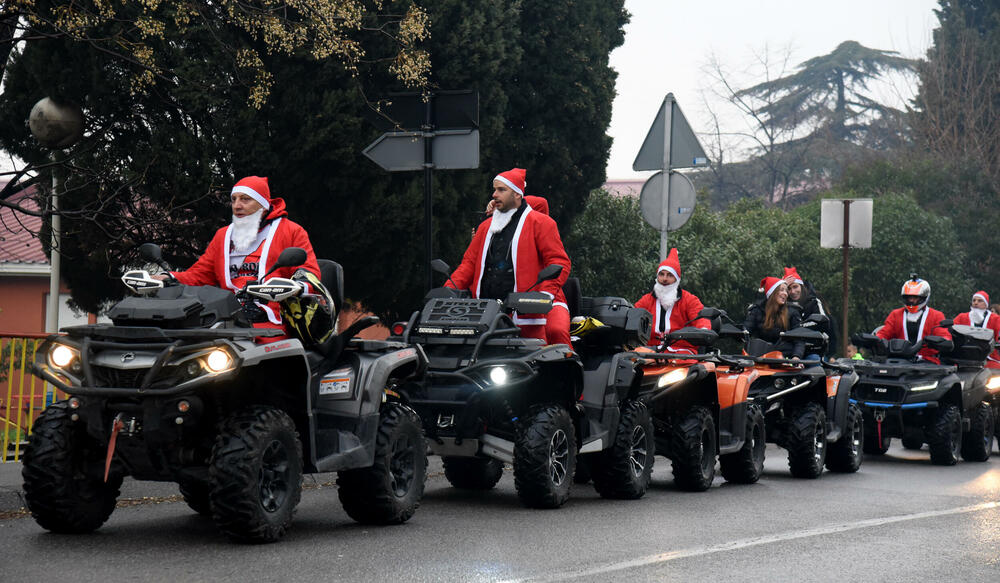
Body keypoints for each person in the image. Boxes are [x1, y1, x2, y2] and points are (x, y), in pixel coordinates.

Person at [161, 175, 323, 339]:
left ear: (264, 205)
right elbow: (199, 275)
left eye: (245, 199)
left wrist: (297, 286)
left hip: (269, 320)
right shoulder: (222, 236)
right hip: (223, 317)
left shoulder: (291, 231)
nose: (237, 206)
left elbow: (309, 274)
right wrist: (166, 278)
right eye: (233, 199)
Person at [448, 168, 571, 344]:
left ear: (517, 194)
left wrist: (544, 294)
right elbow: (468, 264)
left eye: (501, 190)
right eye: (495, 189)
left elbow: (559, 262)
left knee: (553, 343)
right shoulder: (485, 227)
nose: (494, 194)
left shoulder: (541, 223)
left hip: (527, 312)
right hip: (484, 314)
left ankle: (568, 369)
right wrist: (448, 290)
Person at [633, 248, 709, 353]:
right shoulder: (647, 300)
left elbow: (701, 318)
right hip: (649, 353)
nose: (664, 279)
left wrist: (703, 331)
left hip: (682, 353)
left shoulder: (689, 300)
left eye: (669, 275)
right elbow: (633, 316)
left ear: (677, 279)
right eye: (661, 274)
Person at [875, 276, 951, 364]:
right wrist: (876, 339)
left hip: (927, 362)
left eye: (915, 297)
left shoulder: (936, 315)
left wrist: (942, 340)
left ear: (924, 297)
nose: (911, 300)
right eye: (908, 297)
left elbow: (943, 334)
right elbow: (885, 332)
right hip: (899, 361)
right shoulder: (895, 314)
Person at [744, 276, 804, 358]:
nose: (786, 294)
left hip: (784, 359)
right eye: (782, 290)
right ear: (772, 293)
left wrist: (796, 356)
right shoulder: (756, 310)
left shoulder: (793, 312)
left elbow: (799, 339)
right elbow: (745, 332)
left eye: (786, 291)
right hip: (758, 357)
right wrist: (738, 333)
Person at [783, 266, 837, 356]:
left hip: (812, 350)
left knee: (814, 361)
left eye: (795, 287)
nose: (792, 291)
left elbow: (823, 322)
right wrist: (781, 286)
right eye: (788, 288)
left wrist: (798, 328)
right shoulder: (782, 305)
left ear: (802, 286)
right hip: (788, 351)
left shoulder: (813, 302)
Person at [952, 290, 1000, 369]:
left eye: (980, 301)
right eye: (974, 300)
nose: (976, 303)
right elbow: (950, 331)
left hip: (989, 358)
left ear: (986, 304)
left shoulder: (996, 319)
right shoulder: (962, 317)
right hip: (963, 358)